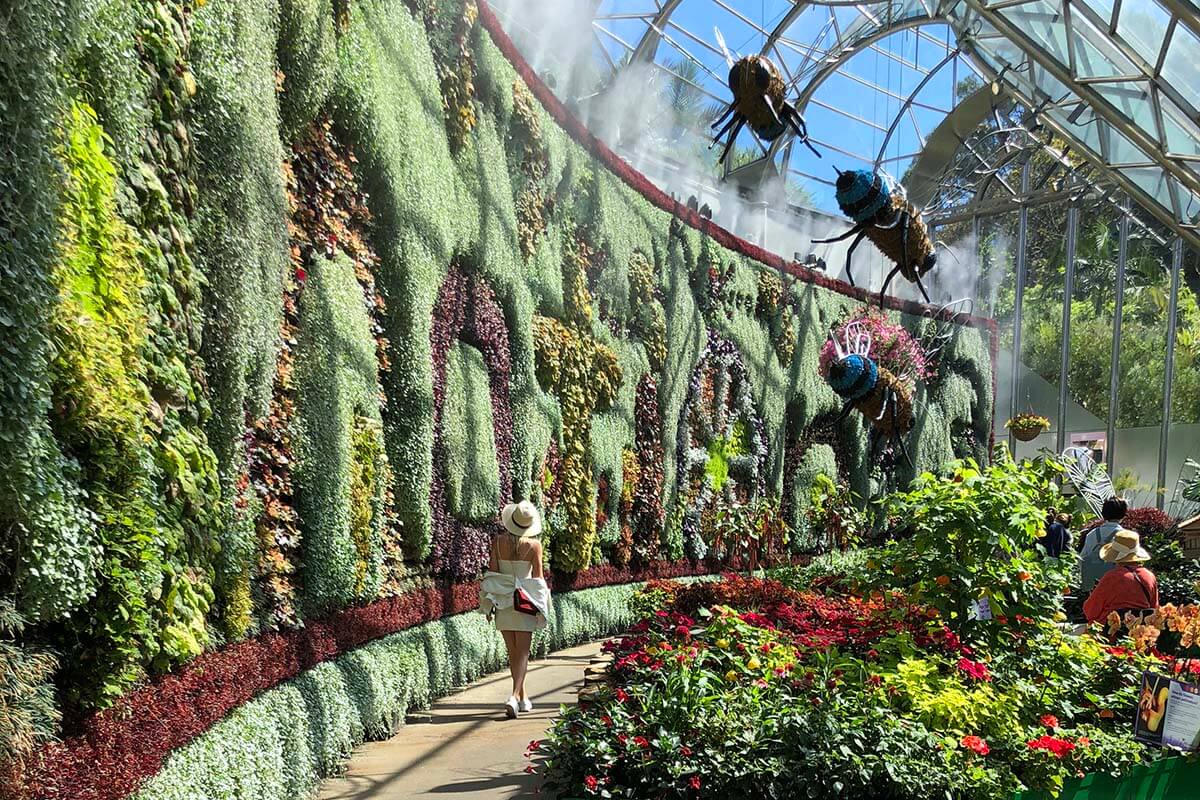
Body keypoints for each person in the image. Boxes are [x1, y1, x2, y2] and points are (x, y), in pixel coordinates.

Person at [479, 500, 550, 719]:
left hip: (503, 601)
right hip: (524, 602)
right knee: (523, 653)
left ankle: (522, 697)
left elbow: (492, 574)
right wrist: (542, 605)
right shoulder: (534, 546)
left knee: (514, 653)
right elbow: (537, 579)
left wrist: (489, 602)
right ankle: (513, 696)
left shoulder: (498, 542)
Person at [1083, 529, 1158, 623]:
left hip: (1109, 633)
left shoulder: (1112, 577)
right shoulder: (1150, 576)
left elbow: (1090, 611)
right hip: (1138, 632)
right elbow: (1154, 608)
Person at [1078, 496, 1128, 591]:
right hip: (1117, 585)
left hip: (1095, 586)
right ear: (1123, 514)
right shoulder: (1126, 536)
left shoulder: (1092, 534)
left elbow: (1082, 559)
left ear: (1104, 513)